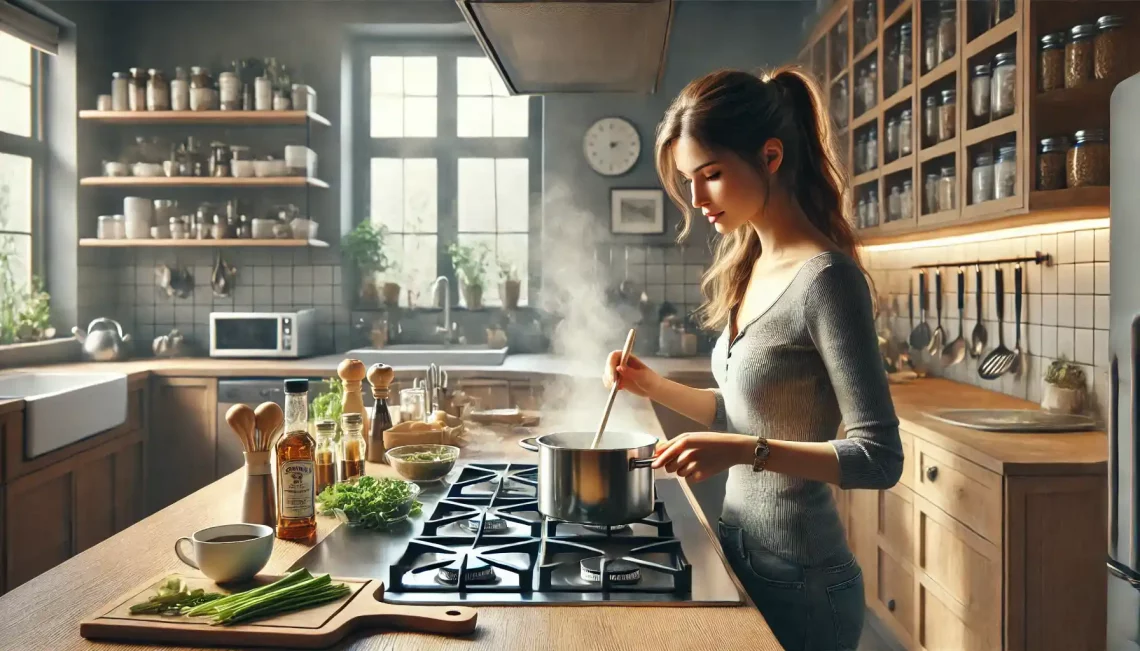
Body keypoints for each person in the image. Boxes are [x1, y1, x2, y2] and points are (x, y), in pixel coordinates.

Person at [602, 66, 903, 651]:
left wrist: (746, 452)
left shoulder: (828, 280)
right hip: (742, 555)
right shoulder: (750, 267)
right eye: (690, 180)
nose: (696, 198)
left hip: (806, 581)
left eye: (710, 175)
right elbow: (744, 412)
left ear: (769, 156)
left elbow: (878, 458)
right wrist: (652, 386)